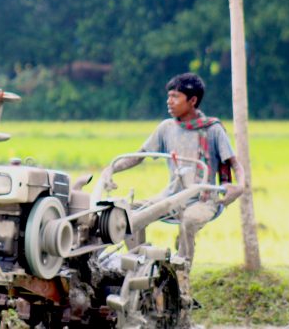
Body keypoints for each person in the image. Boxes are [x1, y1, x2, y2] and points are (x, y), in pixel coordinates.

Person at [100, 73, 244, 305]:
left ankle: (181, 277)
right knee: (127, 213)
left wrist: (239, 187)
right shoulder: (166, 128)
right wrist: (111, 168)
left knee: (188, 221)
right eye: (169, 96)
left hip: (202, 199)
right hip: (171, 196)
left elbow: (234, 165)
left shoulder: (213, 130)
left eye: (175, 97)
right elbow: (139, 156)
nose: (169, 101)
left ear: (193, 101)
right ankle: (139, 266)